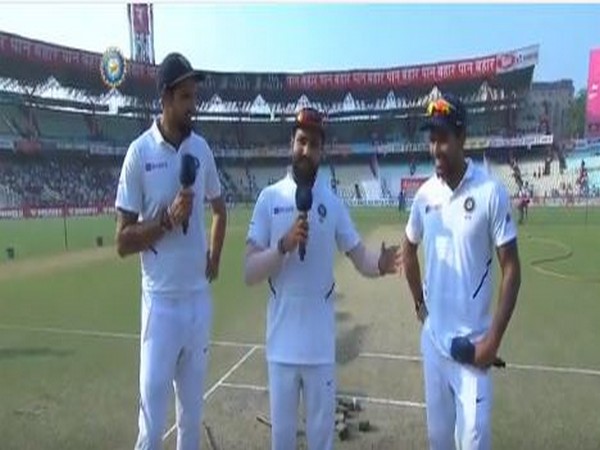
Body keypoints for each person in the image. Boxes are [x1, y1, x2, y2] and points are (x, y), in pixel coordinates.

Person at [244, 107, 401, 450]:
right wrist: (283, 246)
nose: (306, 150)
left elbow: (360, 258)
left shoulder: (332, 202)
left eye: (314, 144)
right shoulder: (269, 198)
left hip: (319, 350)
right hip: (282, 348)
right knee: (282, 441)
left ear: (321, 151)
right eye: (301, 141)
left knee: (321, 441)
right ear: (292, 143)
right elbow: (250, 271)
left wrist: (382, 263)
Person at [114, 52, 227, 450]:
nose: (192, 106)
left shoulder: (202, 148)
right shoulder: (139, 154)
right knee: (150, 425)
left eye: (194, 96)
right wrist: (163, 222)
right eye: (185, 97)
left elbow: (219, 208)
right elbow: (122, 242)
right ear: (165, 98)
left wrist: (214, 255)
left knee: (191, 422)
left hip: (198, 302)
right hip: (160, 307)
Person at [402, 95, 521, 450]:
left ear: (462, 137)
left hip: (473, 351)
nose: (435, 148)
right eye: (431, 139)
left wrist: (492, 342)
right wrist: (420, 307)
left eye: (442, 138)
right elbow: (408, 249)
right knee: (438, 441)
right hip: (434, 346)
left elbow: (512, 269)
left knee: (472, 443)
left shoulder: (490, 192)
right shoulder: (424, 195)